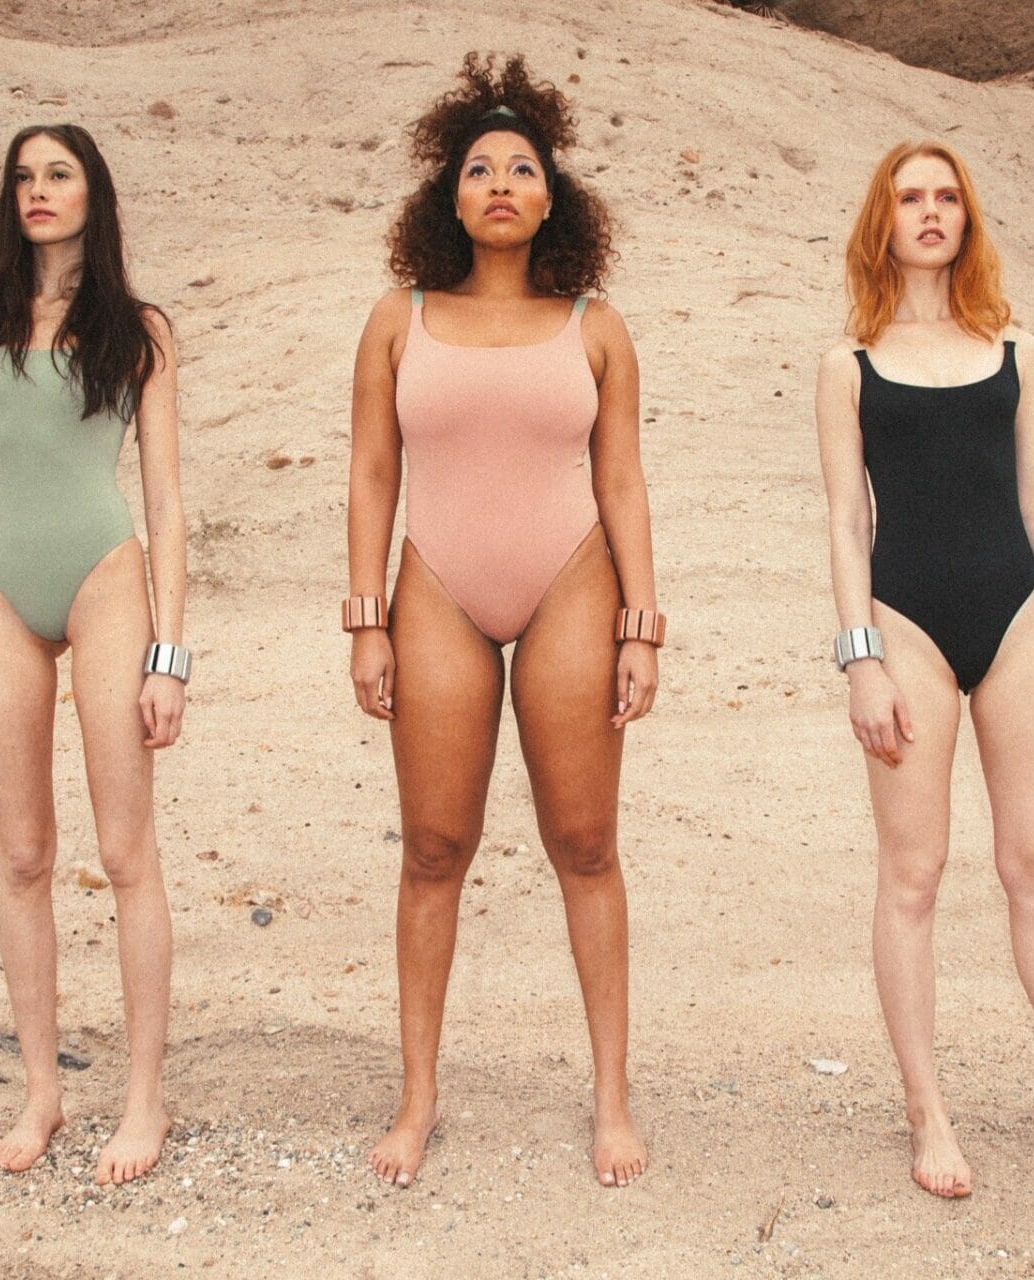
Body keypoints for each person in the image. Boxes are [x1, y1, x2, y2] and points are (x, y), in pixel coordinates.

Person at [345, 53, 662, 1190]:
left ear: (551, 199)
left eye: (522, 169)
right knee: (434, 848)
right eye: (479, 168)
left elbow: (621, 483)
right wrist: (367, 618)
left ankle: (611, 1095)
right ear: (449, 196)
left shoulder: (596, 325)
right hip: (435, 584)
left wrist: (641, 622)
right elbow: (373, 475)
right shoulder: (399, 317)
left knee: (584, 842)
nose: (499, 184)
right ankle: (417, 1095)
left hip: (572, 577)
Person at [814, 140, 1034, 1198]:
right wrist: (860, 659)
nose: (930, 211)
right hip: (904, 620)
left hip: (1016, 620)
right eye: (910, 196)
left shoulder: (1016, 351)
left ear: (968, 217)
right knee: (914, 874)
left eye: (947, 195)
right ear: (883, 218)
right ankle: (928, 1110)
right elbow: (845, 522)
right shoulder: (847, 364)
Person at [0, 123, 186, 1187]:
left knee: (126, 851)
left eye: (59, 174)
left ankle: (144, 1097)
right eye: (23, 175)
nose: (38, 190)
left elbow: (166, 503)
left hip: (104, 579)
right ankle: (41, 1089)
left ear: (94, 195)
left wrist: (170, 651)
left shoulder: (139, 329)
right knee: (24, 851)